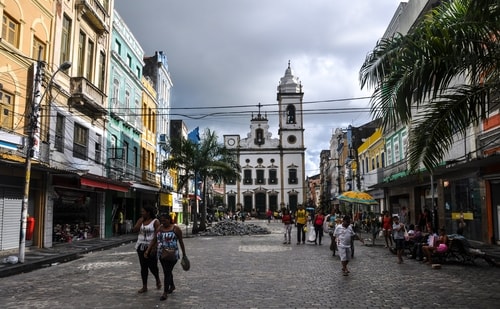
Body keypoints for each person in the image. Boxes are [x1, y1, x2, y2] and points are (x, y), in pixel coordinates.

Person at [145, 213, 187, 301]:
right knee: (167, 271)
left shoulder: (176, 229)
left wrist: (184, 254)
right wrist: (148, 250)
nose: (163, 222)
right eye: (161, 221)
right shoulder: (160, 228)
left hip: (172, 255)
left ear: (169, 219)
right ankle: (172, 286)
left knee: (167, 271)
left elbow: (181, 242)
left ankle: (165, 292)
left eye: (165, 220)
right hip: (161, 254)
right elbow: (154, 240)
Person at [133, 205, 161, 294]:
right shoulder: (141, 220)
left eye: (143, 211)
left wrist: (154, 247)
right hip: (141, 246)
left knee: (152, 266)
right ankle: (144, 286)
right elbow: (134, 230)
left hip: (151, 246)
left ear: (148, 213)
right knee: (143, 267)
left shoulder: (155, 222)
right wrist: (140, 221)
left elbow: (158, 235)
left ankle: (157, 278)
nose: (142, 213)